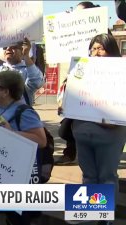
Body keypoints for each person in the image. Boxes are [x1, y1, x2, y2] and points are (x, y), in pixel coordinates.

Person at [72, 34, 126, 225]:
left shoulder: (122, 72)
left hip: (110, 134)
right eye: (93, 48)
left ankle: (105, 218)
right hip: (83, 132)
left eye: (100, 48)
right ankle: (88, 216)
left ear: (111, 50)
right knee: (88, 176)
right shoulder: (79, 71)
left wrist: (117, 118)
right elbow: (70, 99)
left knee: (107, 176)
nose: (96, 53)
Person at [0, 70, 46, 225]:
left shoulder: (24, 111)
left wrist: (12, 133)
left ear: (5, 92)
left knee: (17, 217)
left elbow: (41, 140)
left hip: (14, 178)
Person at [55, 1, 101, 165]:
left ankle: (91, 156)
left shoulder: (101, 37)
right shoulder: (71, 37)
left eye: (80, 13)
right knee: (66, 128)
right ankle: (71, 153)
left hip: (97, 91)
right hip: (75, 87)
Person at [0, 37, 44, 111]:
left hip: (18, 120)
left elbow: (37, 83)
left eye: (14, 46)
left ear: (22, 50)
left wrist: (26, 56)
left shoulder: (27, 70)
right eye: (5, 47)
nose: (8, 48)